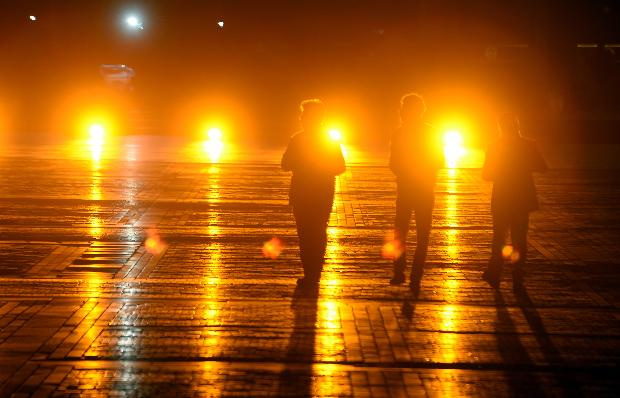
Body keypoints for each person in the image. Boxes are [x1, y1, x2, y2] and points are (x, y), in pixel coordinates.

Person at [281, 99, 345, 289]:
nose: (302, 119)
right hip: (321, 192)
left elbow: (285, 164)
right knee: (317, 232)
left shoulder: (298, 139)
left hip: (305, 192)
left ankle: (311, 272)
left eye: (304, 115)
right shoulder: (328, 141)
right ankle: (314, 272)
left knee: (307, 233)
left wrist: (304, 164)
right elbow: (340, 166)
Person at [482, 113, 547, 290]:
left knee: (499, 237)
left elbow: (486, 174)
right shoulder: (528, 145)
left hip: (502, 197)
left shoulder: (494, 146)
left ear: (501, 127)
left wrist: (502, 173)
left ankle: (495, 273)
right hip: (522, 198)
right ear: (516, 126)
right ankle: (517, 278)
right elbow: (543, 167)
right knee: (520, 238)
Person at [389, 93, 443, 287]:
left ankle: (399, 271)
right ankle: (416, 274)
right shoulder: (430, 133)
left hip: (406, 188)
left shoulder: (400, 133)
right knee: (422, 233)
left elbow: (393, 163)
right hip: (424, 189)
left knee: (401, 231)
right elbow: (439, 160)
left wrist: (406, 171)